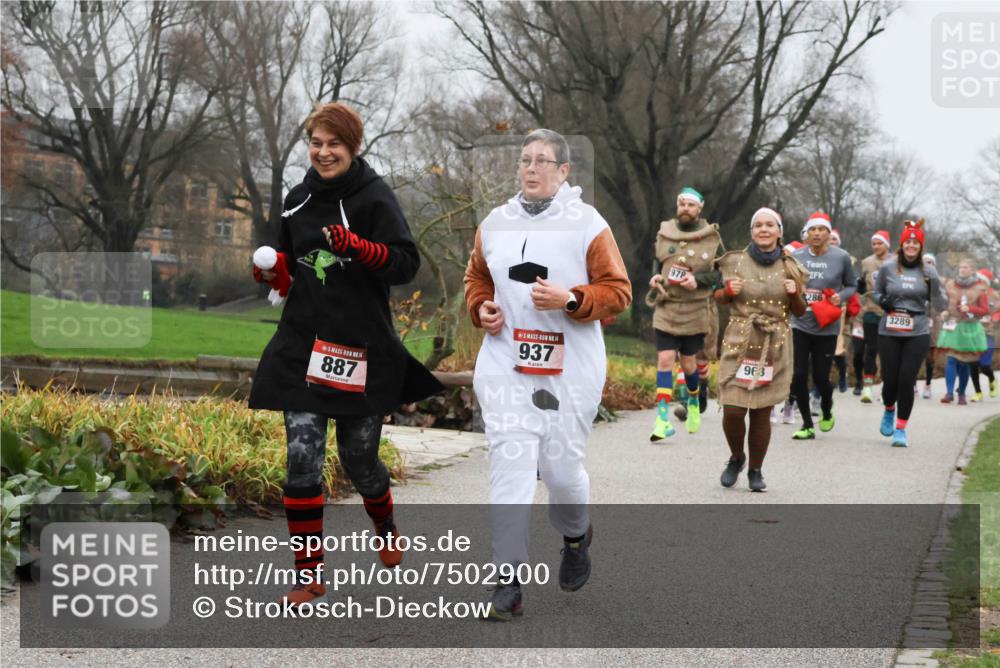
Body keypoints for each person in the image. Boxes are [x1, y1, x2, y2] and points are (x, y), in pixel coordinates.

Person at [248, 102, 444, 605]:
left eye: (334, 143)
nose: (323, 151)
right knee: (301, 461)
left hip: (361, 346)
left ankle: (385, 525)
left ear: (352, 147)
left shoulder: (374, 196)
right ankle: (308, 573)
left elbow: (405, 265)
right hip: (303, 345)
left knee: (360, 461)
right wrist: (272, 273)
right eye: (316, 142)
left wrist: (359, 246)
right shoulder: (295, 201)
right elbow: (286, 266)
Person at [464, 129, 631, 621]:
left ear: (563, 172)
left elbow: (618, 293)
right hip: (505, 366)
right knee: (510, 468)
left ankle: (576, 535)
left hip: (569, 370)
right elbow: (477, 277)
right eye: (525, 160)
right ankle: (507, 582)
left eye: (543, 161)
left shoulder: (587, 224)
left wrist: (571, 299)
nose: (531, 168)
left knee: (561, 474)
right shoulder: (494, 223)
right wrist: (482, 308)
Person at [715, 208, 807, 490]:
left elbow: (801, 312)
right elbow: (718, 297)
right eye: (758, 225)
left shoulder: (792, 266)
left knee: (760, 412)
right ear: (752, 232)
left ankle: (756, 470)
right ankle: (736, 457)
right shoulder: (734, 261)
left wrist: (795, 293)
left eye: (770, 225)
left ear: (779, 231)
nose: (764, 230)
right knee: (732, 409)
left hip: (774, 343)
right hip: (739, 340)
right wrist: (728, 291)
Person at [646, 187, 724, 440]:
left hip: (695, 309)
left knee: (689, 363)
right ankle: (661, 419)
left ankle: (693, 400)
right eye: (682, 204)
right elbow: (658, 261)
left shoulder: (712, 237)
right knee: (666, 360)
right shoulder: (665, 232)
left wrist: (698, 280)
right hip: (667, 305)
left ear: (699, 208)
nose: (685, 209)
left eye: (691, 205)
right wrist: (655, 275)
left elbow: (722, 273)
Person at [870, 220, 946, 447]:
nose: (911, 245)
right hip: (890, 328)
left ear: (921, 246)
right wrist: (883, 301)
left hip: (917, 329)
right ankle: (889, 409)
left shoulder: (928, 270)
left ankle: (901, 429)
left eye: (916, 242)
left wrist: (934, 288)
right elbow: (876, 293)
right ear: (901, 245)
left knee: (906, 380)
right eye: (908, 241)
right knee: (889, 379)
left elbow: (941, 303)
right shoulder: (888, 267)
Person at [789, 212, 857, 439]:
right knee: (798, 375)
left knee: (820, 377)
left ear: (829, 233)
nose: (817, 233)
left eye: (822, 230)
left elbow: (851, 285)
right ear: (807, 233)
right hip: (799, 322)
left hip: (826, 325)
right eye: (813, 229)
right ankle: (807, 424)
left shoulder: (841, 257)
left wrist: (841, 296)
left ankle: (827, 407)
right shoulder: (796, 256)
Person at [937, 258, 990, 404]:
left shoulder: (980, 288)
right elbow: (948, 304)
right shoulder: (951, 285)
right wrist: (945, 312)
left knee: (965, 362)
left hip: (970, 327)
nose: (962, 269)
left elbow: (985, 310)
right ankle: (949, 393)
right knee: (951, 359)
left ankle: (961, 393)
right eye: (960, 267)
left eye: (965, 267)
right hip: (953, 325)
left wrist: (971, 309)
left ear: (972, 270)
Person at [856, 230, 892, 403]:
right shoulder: (866, 262)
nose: (877, 246)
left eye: (880, 243)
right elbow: (862, 288)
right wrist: (860, 287)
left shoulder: (895, 262)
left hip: (890, 312)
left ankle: (887, 386)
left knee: (887, 352)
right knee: (870, 350)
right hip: (871, 310)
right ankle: (867, 387)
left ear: (887, 244)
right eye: (874, 244)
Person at [968, 268, 998, 401]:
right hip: (973, 334)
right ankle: (978, 392)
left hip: (988, 334)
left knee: (984, 365)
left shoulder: (995, 295)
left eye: (980, 280)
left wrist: (996, 318)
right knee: (973, 365)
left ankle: (992, 379)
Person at [921, 253, 941, 398]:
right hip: (916, 321)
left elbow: (944, 304)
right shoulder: (915, 280)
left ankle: (928, 385)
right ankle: (913, 384)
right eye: (925, 262)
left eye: (930, 262)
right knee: (913, 355)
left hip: (933, 323)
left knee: (930, 356)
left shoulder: (939, 283)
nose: (928, 265)